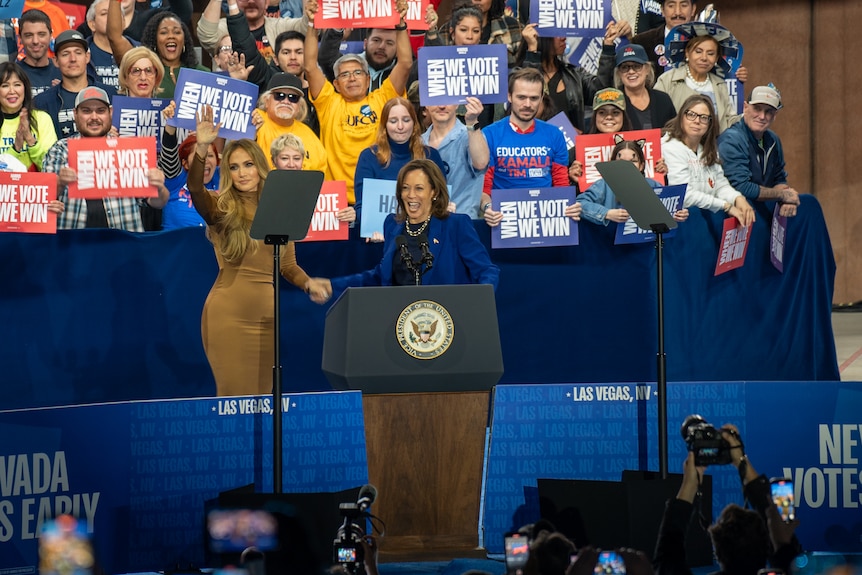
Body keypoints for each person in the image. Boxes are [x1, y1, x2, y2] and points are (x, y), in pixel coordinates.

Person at [188, 104, 327, 397]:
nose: (242, 173)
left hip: (268, 320)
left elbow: (287, 266)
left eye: (248, 164)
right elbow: (197, 192)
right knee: (232, 401)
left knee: (263, 403)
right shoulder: (221, 208)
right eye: (234, 167)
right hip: (229, 316)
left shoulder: (279, 206)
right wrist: (202, 148)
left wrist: (308, 283)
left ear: (260, 166)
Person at [314, 159, 499, 301]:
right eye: (405, 188)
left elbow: (486, 270)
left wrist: (477, 302)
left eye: (419, 188)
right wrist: (333, 286)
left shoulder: (456, 225)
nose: (411, 195)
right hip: (398, 321)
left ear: (433, 192)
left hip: (444, 322)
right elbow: (380, 276)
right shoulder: (392, 225)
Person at [653, 423, 802, 575]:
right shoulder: (789, 570)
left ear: (717, 552)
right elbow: (792, 562)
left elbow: (667, 557)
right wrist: (741, 461)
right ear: (768, 546)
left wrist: (690, 484)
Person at [304, 0, 412, 206]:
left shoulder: (383, 98)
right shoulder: (328, 102)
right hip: (336, 200)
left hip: (377, 199)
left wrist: (400, 23)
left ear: (368, 79)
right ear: (335, 83)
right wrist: (311, 25)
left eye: (357, 73)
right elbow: (310, 66)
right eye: (345, 74)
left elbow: (405, 63)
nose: (352, 78)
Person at [42, 86, 169, 230]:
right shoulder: (60, 150)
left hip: (122, 242)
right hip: (74, 244)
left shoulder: (130, 150)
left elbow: (157, 203)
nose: (94, 117)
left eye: (100, 111)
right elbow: (42, 200)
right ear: (75, 114)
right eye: (86, 111)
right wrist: (60, 182)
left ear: (111, 112)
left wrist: (159, 188)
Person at [481, 67, 577, 227]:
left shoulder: (555, 134)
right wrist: (487, 207)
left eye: (534, 98)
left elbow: (561, 183)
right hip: (503, 220)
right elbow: (484, 187)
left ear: (542, 98)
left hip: (544, 219)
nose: (527, 104)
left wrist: (569, 207)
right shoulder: (490, 134)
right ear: (509, 96)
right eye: (521, 97)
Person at [354, 97, 446, 233]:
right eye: (393, 121)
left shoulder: (431, 156)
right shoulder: (369, 157)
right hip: (380, 237)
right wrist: (373, 228)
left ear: (414, 123)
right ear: (384, 125)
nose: (400, 126)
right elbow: (362, 205)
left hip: (426, 235)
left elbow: (440, 198)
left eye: (406, 120)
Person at [662, 94, 754, 227]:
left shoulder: (707, 149)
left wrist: (738, 198)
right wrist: (726, 206)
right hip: (680, 226)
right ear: (682, 116)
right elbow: (685, 195)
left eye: (704, 118)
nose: (697, 121)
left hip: (702, 224)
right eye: (691, 114)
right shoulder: (670, 146)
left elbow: (720, 185)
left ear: (710, 124)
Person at [515, 22, 617, 132]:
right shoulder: (517, 75)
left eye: (563, 32)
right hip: (534, 145)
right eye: (557, 34)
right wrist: (532, 51)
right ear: (541, 37)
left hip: (571, 147)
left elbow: (602, 92)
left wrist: (608, 47)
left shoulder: (574, 74)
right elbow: (527, 89)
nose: (563, 38)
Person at [717, 85, 802, 218]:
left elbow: (779, 178)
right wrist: (783, 195)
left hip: (761, 208)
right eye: (757, 109)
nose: (762, 116)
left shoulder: (773, 139)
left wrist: (787, 200)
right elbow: (742, 187)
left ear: (775, 116)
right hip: (734, 212)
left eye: (769, 111)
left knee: (809, 205)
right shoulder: (731, 139)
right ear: (745, 107)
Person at [576, 138, 687, 226]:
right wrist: (607, 213)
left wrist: (677, 214)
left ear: (641, 166)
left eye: (633, 161)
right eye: (621, 161)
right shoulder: (604, 185)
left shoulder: (653, 185)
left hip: (645, 246)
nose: (626, 166)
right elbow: (580, 203)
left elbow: (668, 209)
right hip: (611, 245)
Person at [654, 30, 744, 133]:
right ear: (687, 53)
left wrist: (748, 116)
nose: (704, 58)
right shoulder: (668, 80)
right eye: (698, 51)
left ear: (716, 58)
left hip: (712, 146)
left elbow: (728, 122)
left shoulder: (720, 85)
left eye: (710, 53)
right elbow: (655, 116)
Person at [33, 30, 118, 139]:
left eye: (78, 53)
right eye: (65, 54)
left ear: (87, 57)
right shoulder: (42, 102)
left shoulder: (111, 94)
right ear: (56, 61)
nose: (72, 59)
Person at [107, 7, 207, 99]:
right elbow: (114, 37)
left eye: (177, 32)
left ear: (184, 39)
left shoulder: (202, 73)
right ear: (154, 39)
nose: (171, 36)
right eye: (164, 32)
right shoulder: (146, 70)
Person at [422, 96, 490, 218]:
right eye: (435, 100)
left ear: (458, 103)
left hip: (462, 224)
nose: (442, 106)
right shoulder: (419, 142)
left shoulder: (471, 135)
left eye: (448, 100)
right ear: (426, 104)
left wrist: (472, 122)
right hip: (427, 226)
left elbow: (481, 163)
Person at [253, 73, 328, 174]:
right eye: (279, 96)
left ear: (299, 106)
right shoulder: (255, 120)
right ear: (266, 101)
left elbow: (320, 175)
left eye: (293, 98)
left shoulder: (309, 134)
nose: (286, 101)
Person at [196, 0, 308, 66]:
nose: (250, 1)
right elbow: (206, 36)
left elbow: (308, 28)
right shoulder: (225, 27)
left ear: (266, 3)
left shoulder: (280, 26)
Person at [424, 0, 523, 65]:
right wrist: (432, 31)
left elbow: (522, 70)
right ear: (452, 33)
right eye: (463, 30)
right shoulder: (446, 30)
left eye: (475, 31)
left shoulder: (511, 27)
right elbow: (434, 64)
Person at [0, 62, 57, 171]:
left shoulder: (42, 119)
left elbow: (51, 168)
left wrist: (30, 140)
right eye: (5, 86)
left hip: (36, 186)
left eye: (17, 85)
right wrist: (15, 148)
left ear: (25, 89)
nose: (12, 91)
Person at [161, 134, 220, 230]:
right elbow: (169, 151)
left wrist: (253, 126)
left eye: (210, 155)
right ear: (185, 163)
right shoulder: (176, 179)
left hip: (215, 243)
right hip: (178, 243)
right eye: (199, 156)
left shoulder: (222, 176)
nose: (205, 160)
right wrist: (170, 126)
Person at [614, 43, 676, 131]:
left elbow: (674, 133)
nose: (631, 71)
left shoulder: (663, 99)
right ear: (619, 73)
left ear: (647, 69)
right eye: (625, 67)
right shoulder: (614, 102)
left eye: (636, 66)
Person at [318, 28, 399, 92]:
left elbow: (407, 62)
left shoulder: (404, 74)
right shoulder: (348, 64)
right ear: (365, 44)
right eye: (376, 40)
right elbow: (327, 58)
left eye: (389, 43)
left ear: (398, 49)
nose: (381, 46)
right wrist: (337, 28)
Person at [631, 0, 698, 73]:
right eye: (671, 6)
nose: (678, 12)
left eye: (684, 5)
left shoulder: (703, 42)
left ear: (693, 9)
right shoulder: (641, 42)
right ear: (662, 10)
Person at [18, 10, 61, 97]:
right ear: (20, 38)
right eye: (29, 35)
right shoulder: (13, 73)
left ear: (51, 36)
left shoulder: (63, 72)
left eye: (41, 34)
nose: (35, 41)